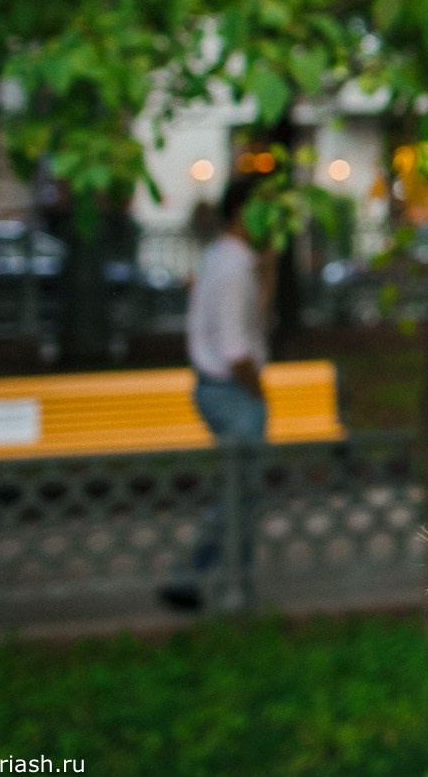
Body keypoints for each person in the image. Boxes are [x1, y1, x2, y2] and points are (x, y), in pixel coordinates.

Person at [159, 174, 269, 612]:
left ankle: (224, 581)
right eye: (264, 210)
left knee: (242, 492)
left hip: (220, 388)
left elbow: (255, 320)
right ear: (243, 212)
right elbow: (236, 350)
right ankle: (196, 576)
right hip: (231, 390)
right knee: (241, 493)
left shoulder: (223, 258)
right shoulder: (232, 269)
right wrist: (257, 393)